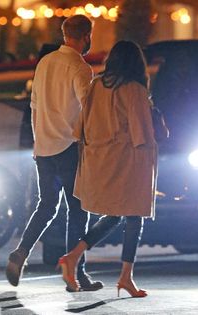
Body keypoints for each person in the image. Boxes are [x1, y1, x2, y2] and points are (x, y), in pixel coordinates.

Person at [6, 14, 103, 292]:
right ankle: (76, 273)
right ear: (86, 36)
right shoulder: (80, 67)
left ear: (64, 34)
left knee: (47, 205)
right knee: (78, 210)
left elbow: (34, 105)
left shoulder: (45, 63)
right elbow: (88, 106)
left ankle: (21, 252)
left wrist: (39, 144)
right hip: (70, 147)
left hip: (44, 147)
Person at [58, 40, 158, 296]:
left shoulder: (96, 85)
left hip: (99, 160)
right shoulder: (134, 89)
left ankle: (74, 256)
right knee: (134, 215)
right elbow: (141, 133)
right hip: (126, 161)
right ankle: (125, 277)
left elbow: (80, 127)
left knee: (115, 215)